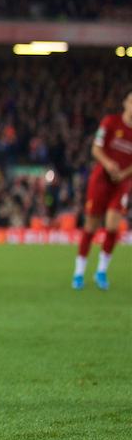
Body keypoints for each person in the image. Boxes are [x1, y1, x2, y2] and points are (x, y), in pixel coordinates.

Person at [73, 90, 132, 290]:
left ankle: (101, 271)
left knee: (113, 226)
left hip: (122, 182)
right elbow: (95, 149)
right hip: (101, 179)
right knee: (91, 226)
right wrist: (108, 165)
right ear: (125, 103)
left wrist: (123, 174)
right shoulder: (110, 122)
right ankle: (79, 272)